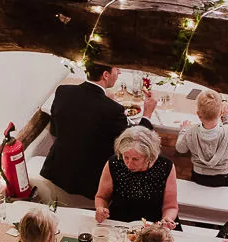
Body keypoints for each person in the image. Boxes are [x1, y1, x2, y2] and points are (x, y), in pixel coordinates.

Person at [41, 63, 157, 202]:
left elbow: (56, 131)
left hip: (56, 170)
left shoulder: (63, 91)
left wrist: (106, 101)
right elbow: (134, 143)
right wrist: (147, 114)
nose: (119, 72)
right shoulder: (113, 110)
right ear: (105, 75)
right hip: (89, 183)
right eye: (116, 69)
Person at [95, 127, 179, 228]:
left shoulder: (165, 166)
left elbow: (170, 206)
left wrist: (166, 219)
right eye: (126, 157)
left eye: (135, 159)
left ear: (149, 156)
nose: (129, 164)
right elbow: (102, 197)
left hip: (154, 224)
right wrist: (101, 208)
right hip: (120, 222)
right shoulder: (114, 162)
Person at [176, 89, 228, 187]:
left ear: (198, 114)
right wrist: (227, 117)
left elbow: (180, 148)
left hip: (199, 176)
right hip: (222, 177)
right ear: (221, 112)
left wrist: (183, 130)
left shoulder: (190, 132)